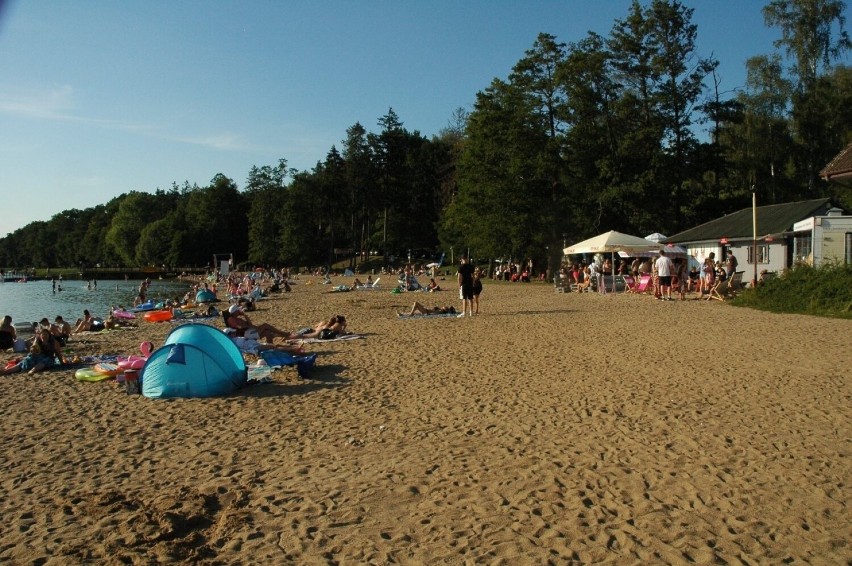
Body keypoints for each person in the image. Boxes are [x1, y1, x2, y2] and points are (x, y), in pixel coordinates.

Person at [223, 304, 294, 343]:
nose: (239, 311)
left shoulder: (238, 318)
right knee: (265, 325)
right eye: (238, 310)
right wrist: (252, 326)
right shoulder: (233, 320)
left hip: (250, 332)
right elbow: (244, 327)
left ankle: (271, 348)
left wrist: (245, 316)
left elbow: (249, 324)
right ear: (235, 312)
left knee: (267, 332)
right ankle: (283, 333)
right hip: (247, 335)